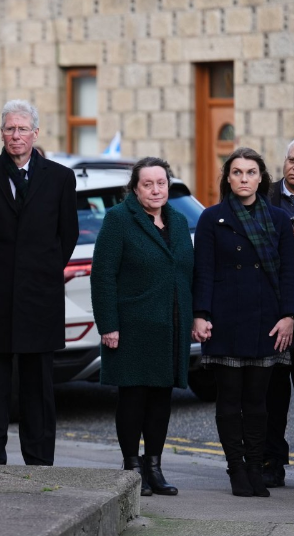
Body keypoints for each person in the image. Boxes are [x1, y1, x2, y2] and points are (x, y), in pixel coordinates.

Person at [0, 99, 79, 466]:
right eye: (10, 129)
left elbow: (68, 235)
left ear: (35, 133)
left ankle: (39, 460)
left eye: (22, 129)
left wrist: (38, 273)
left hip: (39, 299)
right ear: (1, 134)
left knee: (37, 387)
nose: (16, 135)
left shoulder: (59, 178)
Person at [193, 147, 294, 498]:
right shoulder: (212, 217)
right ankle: (236, 469)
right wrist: (201, 315)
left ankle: (257, 466)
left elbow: (287, 273)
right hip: (225, 319)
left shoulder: (279, 220)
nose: (243, 179)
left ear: (261, 178)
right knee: (229, 399)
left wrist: (288, 316)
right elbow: (204, 271)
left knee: (258, 401)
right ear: (228, 178)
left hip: (266, 320)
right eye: (236, 172)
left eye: (250, 172)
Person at [90, 157, 193, 497]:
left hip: (170, 327)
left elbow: (185, 273)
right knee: (133, 398)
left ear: (168, 184)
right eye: (147, 184)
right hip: (131, 327)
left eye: (161, 182)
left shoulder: (178, 222)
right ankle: (132, 467)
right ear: (134, 188)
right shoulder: (119, 220)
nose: (155, 189)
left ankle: (154, 467)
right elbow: (103, 275)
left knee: (161, 399)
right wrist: (108, 324)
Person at [264, 137, 294, 489]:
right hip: (270, 313)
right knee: (271, 395)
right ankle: (272, 462)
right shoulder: (263, 197)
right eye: (291, 159)